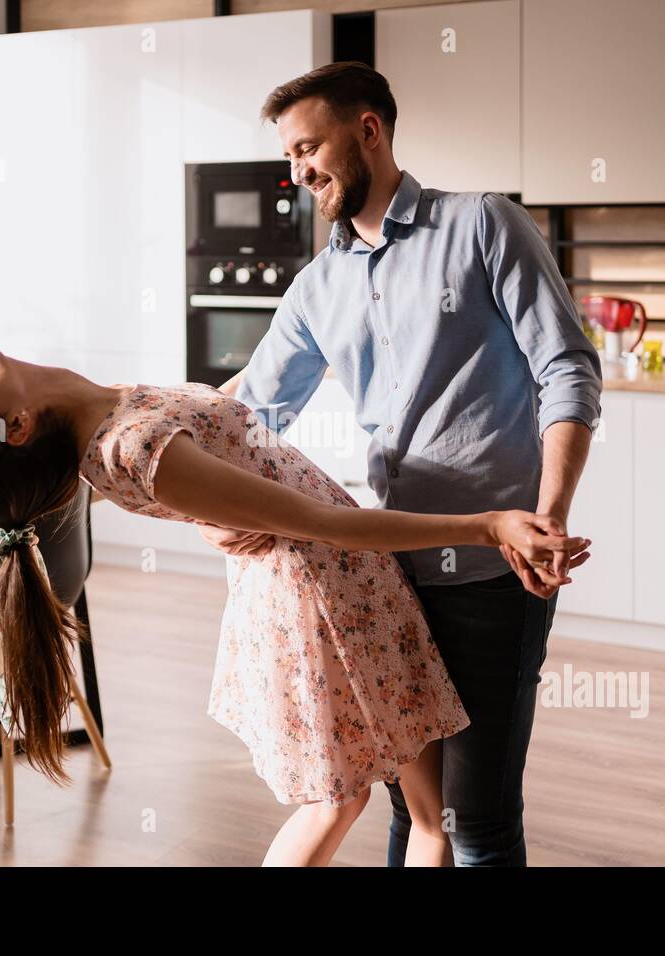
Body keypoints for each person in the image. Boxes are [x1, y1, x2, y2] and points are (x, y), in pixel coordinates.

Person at [0, 349, 589, 866]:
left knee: (375, 802)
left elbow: (220, 419)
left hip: (331, 586)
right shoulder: (134, 447)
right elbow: (325, 524)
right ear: (20, 426)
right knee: (413, 811)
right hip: (332, 597)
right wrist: (487, 525)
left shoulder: (108, 413)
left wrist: (307, 326)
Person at [203, 62, 604, 866]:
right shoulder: (319, 285)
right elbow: (249, 410)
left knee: (476, 820)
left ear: (369, 130)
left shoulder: (484, 225)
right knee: (413, 809)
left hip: (497, 569)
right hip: (385, 578)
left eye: (309, 147)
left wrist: (551, 513)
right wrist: (211, 495)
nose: (299, 171)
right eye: (290, 156)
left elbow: (568, 368)